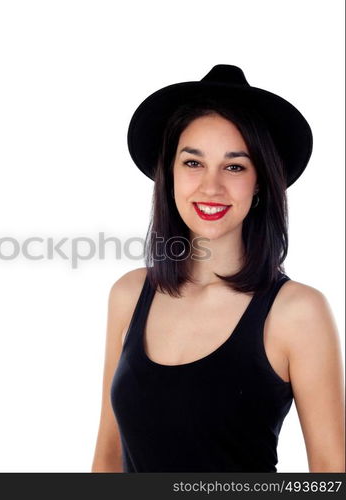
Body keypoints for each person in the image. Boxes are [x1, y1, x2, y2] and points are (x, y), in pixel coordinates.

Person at [91, 64, 345, 472]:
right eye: (193, 163)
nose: (211, 187)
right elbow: (107, 457)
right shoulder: (129, 294)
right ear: (169, 172)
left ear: (260, 180)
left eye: (234, 166)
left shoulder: (297, 312)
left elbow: (332, 472)